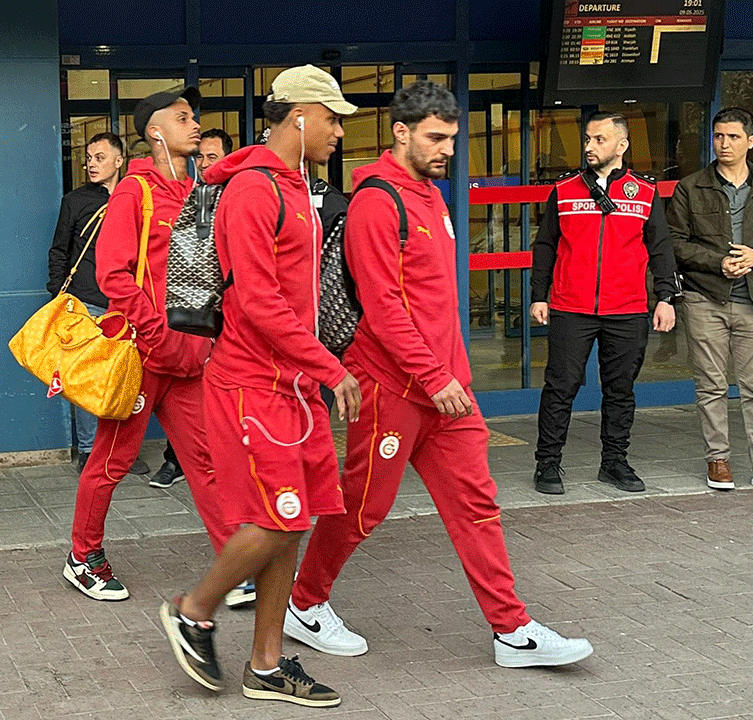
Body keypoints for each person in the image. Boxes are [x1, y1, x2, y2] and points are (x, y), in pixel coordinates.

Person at [281, 80, 595, 672]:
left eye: (451, 138)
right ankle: (304, 602)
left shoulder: (432, 196)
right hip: (396, 388)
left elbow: (433, 302)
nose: (448, 149)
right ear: (400, 132)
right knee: (361, 507)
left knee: (476, 504)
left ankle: (513, 630)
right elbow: (383, 305)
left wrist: (453, 376)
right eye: (435, 137)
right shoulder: (378, 200)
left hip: (447, 392)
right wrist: (434, 377)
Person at [161, 65, 361, 708]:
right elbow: (258, 302)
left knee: (292, 523)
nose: (339, 131)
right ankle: (194, 610)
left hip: (291, 385)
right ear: (300, 115)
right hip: (251, 383)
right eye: (332, 118)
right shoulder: (253, 190)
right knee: (279, 518)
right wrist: (331, 367)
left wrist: (317, 367)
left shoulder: (297, 187)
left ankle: (267, 666)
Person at [63, 87, 231, 602]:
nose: (195, 125)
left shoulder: (201, 194)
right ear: (156, 132)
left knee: (206, 462)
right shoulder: (135, 193)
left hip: (190, 359)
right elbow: (114, 277)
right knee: (112, 460)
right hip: (144, 356)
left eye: (194, 117)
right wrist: (156, 334)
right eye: (182, 118)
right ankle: (82, 556)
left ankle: (236, 562)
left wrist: (207, 338)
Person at [531, 112, 680, 495]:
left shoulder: (644, 193)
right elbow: (545, 245)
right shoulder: (563, 191)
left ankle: (614, 462)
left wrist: (666, 297)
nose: (589, 146)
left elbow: (661, 249)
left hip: (627, 309)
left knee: (620, 390)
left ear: (622, 145)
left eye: (599, 139)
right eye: (588, 139)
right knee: (560, 386)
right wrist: (538, 295)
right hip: (571, 306)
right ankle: (548, 463)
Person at [668, 107, 753, 490]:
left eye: (733, 137)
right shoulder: (691, 186)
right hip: (706, 298)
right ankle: (718, 460)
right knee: (712, 385)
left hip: (750, 299)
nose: (724, 144)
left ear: (750, 141)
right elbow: (674, 243)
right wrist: (718, 263)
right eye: (718, 136)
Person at [147, 128, 235, 494]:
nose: (203, 163)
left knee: (209, 441)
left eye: (212, 157)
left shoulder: (237, 198)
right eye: (201, 156)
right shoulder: (194, 198)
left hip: (223, 331)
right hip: (181, 331)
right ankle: (174, 460)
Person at [47, 132, 124, 472]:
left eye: (100, 158)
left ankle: (118, 452)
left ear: (119, 161)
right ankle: (91, 453)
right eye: (89, 158)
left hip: (125, 304)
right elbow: (59, 250)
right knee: (87, 381)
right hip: (87, 303)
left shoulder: (133, 197)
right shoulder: (76, 201)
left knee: (121, 379)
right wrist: (60, 296)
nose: (91, 164)